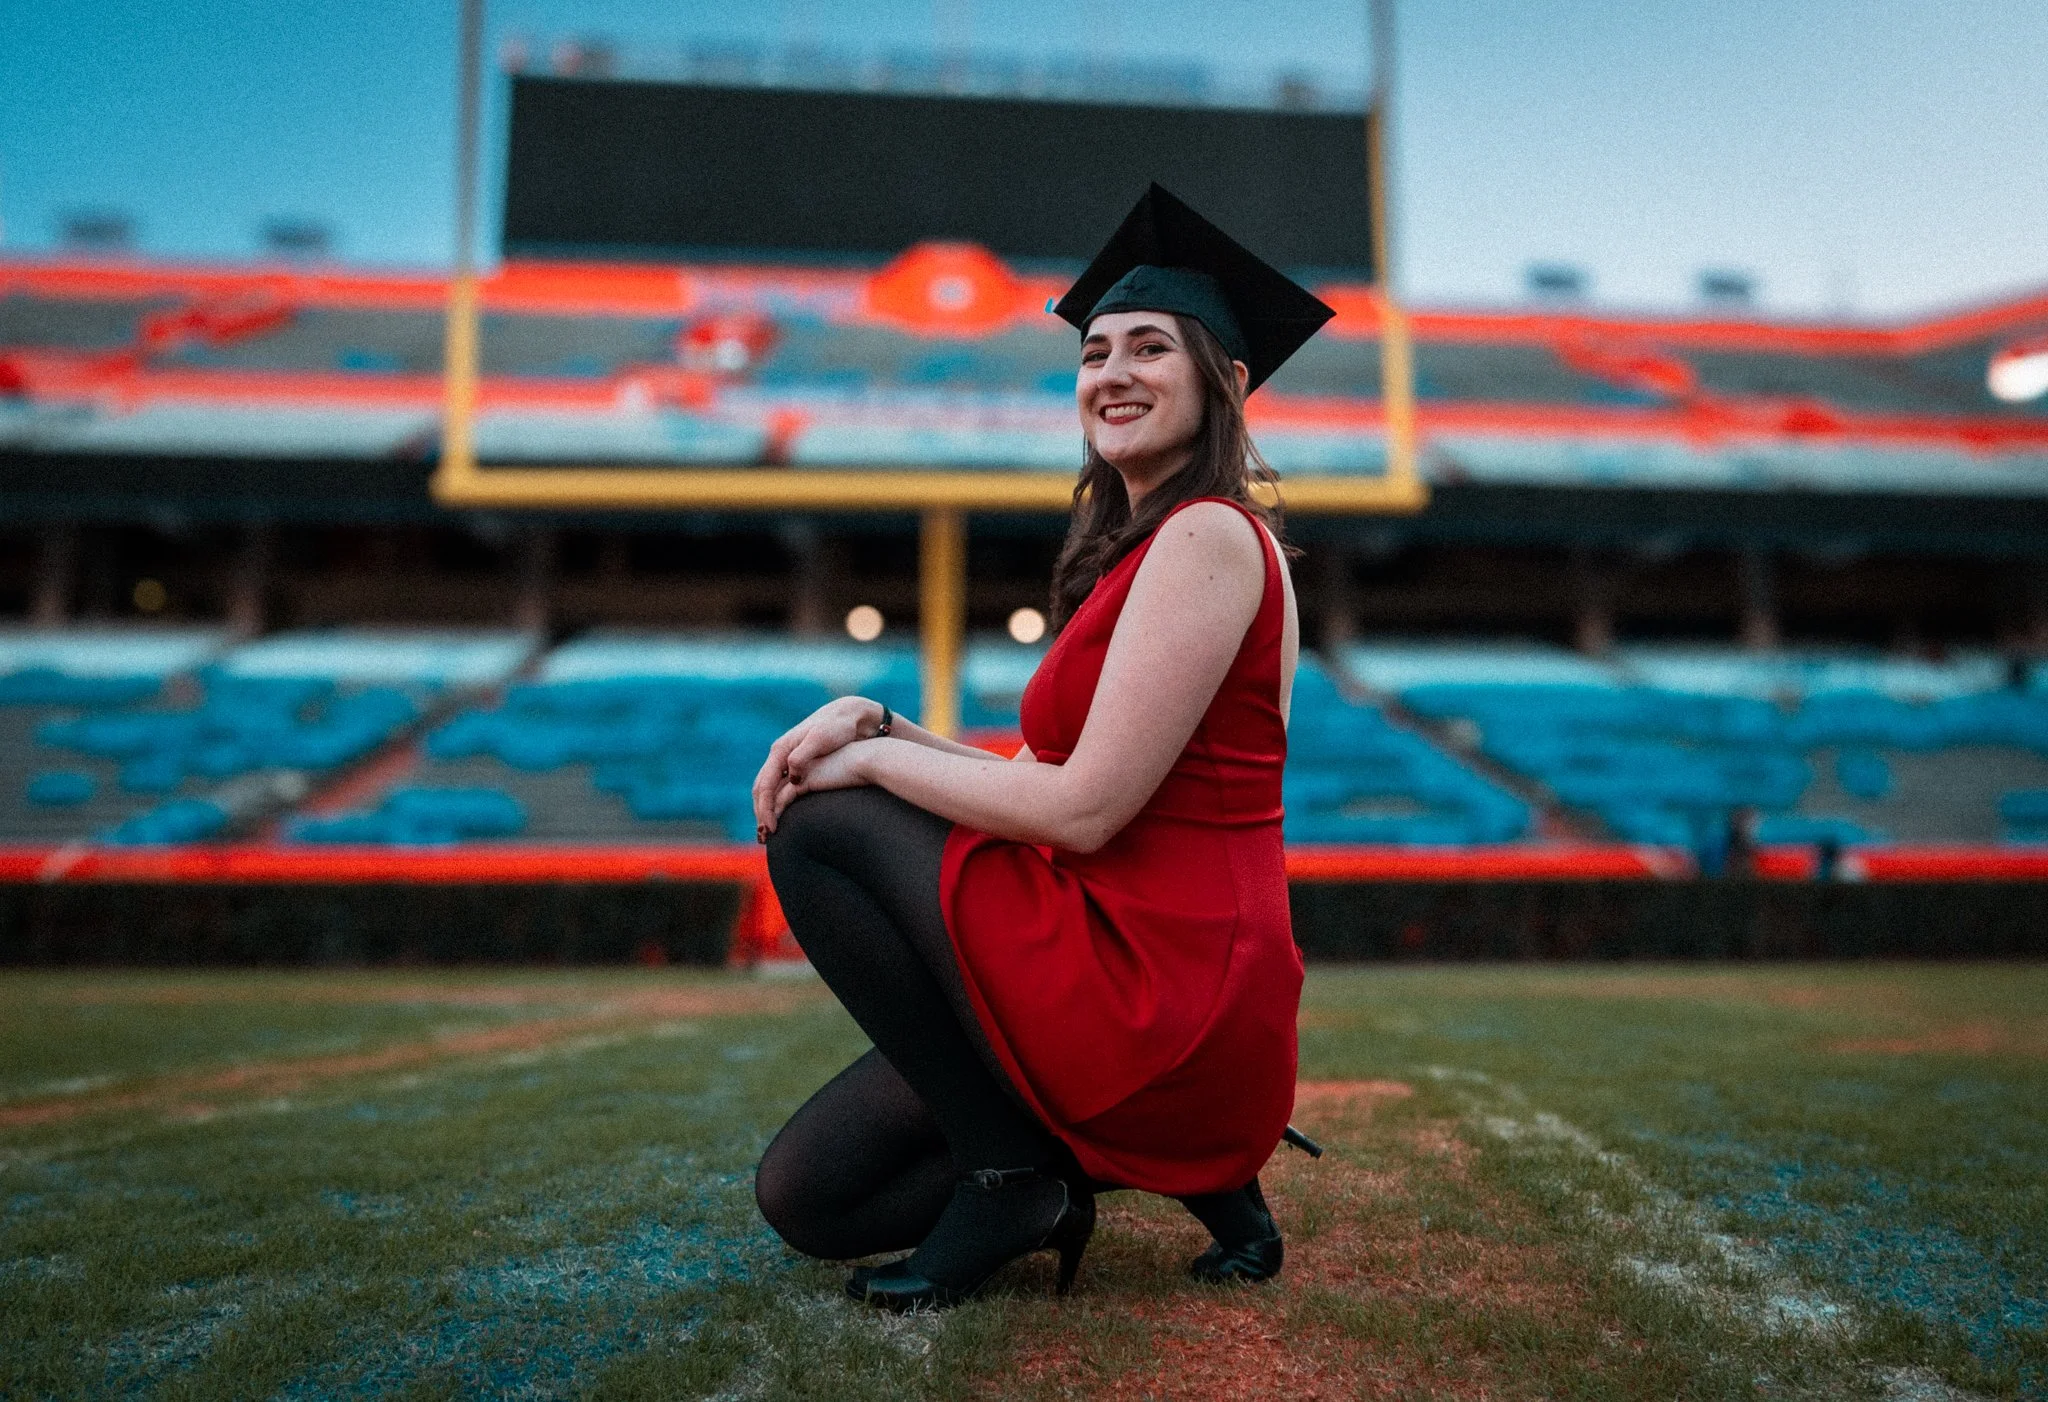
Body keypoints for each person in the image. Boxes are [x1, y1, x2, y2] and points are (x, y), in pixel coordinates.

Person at [750, 185, 1333, 1311]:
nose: (1109, 372)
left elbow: (1079, 813)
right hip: (1119, 951)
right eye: (1093, 352)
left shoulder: (1210, 535)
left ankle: (1018, 1171)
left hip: (1162, 984)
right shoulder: (1142, 554)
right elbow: (1030, 777)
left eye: (1150, 347)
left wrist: (866, 766)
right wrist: (876, 719)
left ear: (1227, 382)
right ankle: (1133, 1167)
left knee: (821, 826)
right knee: (807, 1197)